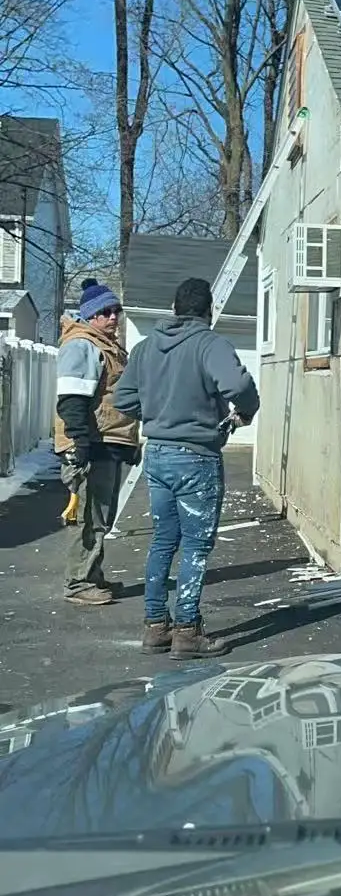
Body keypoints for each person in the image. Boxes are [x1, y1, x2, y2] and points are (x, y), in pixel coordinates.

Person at [113, 276, 259, 659]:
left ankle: (155, 627)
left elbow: (123, 398)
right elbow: (238, 386)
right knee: (196, 545)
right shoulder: (209, 344)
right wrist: (245, 412)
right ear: (207, 311)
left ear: (174, 309)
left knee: (163, 540)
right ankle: (188, 631)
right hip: (196, 457)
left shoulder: (146, 349)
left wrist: (159, 413)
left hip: (157, 453)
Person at [54, 281, 141, 606]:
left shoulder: (106, 345)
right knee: (87, 517)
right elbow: (72, 399)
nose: (113, 317)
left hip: (107, 443)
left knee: (101, 516)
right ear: (90, 316)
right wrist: (79, 442)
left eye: (116, 310)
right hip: (89, 445)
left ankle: (92, 575)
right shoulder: (82, 345)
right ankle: (78, 583)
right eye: (105, 312)